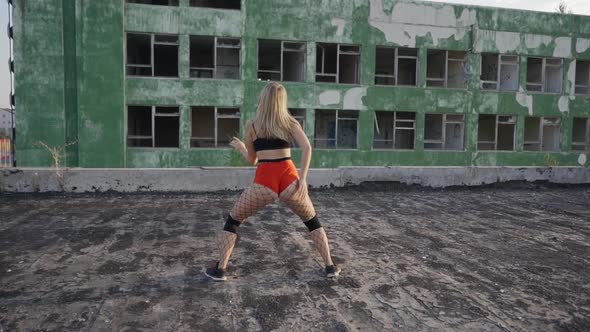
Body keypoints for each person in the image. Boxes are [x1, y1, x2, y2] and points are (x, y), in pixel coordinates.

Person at [204, 82, 341, 281]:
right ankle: (330, 266)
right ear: (282, 101)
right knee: (313, 222)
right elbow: (307, 148)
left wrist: (242, 147)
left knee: (232, 221)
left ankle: (220, 270)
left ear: (263, 100)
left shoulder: (252, 125)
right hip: (290, 180)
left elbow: (253, 160)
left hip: (264, 182)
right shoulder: (290, 123)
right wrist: (302, 179)